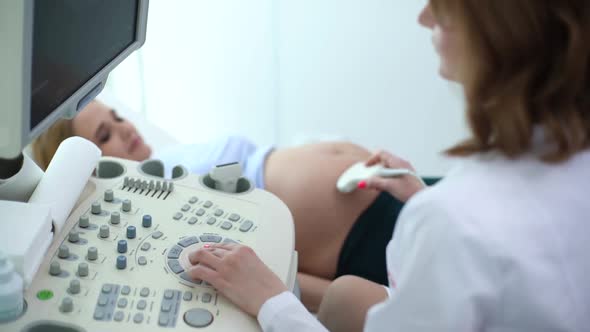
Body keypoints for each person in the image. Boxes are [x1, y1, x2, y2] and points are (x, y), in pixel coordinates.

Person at [182, 1, 590, 331]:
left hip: (375, 237)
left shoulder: (457, 222)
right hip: (405, 222)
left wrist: (270, 300)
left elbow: (479, 243)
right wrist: (425, 200)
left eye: (445, 8)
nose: (424, 16)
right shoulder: (564, 158)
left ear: (498, 34)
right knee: (344, 296)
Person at [32, 99, 431, 312]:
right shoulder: (162, 208)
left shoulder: (175, 158)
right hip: (368, 241)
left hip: (400, 192)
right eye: (106, 133)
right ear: (88, 169)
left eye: (118, 117)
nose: (125, 128)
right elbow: (275, 274)